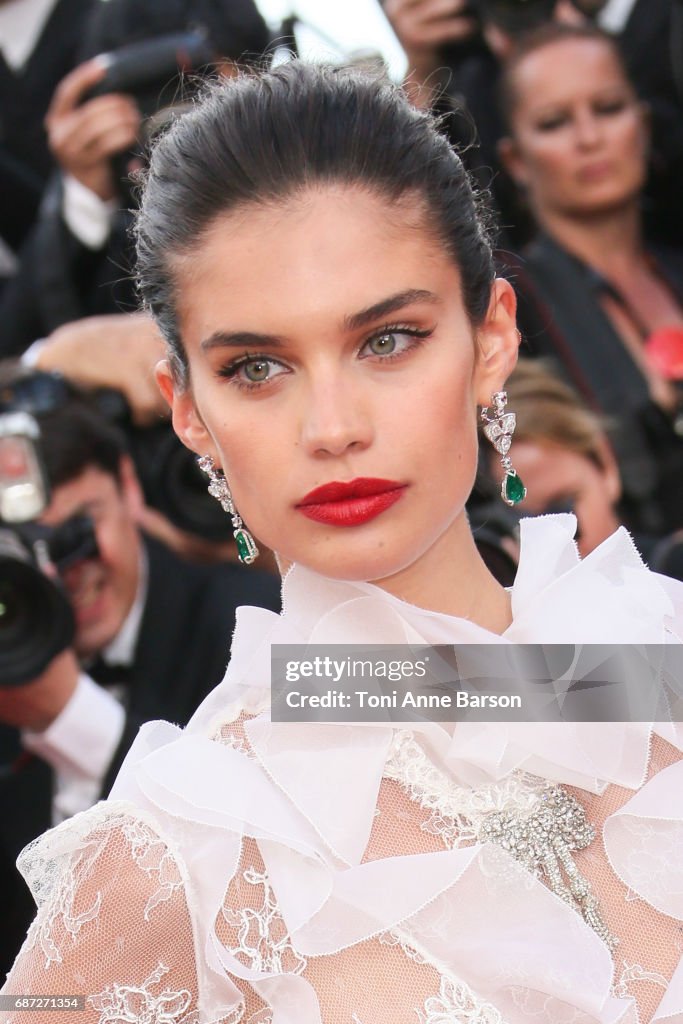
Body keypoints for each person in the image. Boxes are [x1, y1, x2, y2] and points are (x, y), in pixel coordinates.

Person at [2, 62, 683, 1024]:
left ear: (491, 339)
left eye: (387, 341)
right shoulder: (175, 858)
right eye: (256, 367)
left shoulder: (661, 663)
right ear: (188, 411)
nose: (332, 425)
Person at [0, 367, 280, 977]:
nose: (59, 575)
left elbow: (256, 887)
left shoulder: (255, 624)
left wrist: (70, 718)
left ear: (128, 485)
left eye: (76, 533)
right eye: (21, 551)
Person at [497, 23, 683, 538]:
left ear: (643, 126)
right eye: (555, 122)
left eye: (608, 109)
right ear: (515, 159)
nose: (589, 138)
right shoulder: (508, 311)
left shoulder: (672, 264)